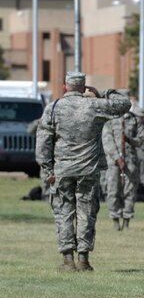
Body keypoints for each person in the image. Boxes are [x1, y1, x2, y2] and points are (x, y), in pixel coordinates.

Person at [35, 72, 131, 271]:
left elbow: (43, 142)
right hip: (88, 169)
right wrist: (102, 93)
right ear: (84, 87)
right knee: (86, 211)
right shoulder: (94, 105)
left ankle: (68, 258)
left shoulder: (53, 108)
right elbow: (124, 103)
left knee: (64, 211)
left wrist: (47, 169)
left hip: (62, 170)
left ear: (65, 87)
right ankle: (84, 259)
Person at [102, 103, 144, 230]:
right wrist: (117, 157)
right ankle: (115, 219)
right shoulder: (110, 120)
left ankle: (126, 220)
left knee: (129, 191)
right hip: (113, 162)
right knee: (113, 190)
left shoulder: (134, 120)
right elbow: (107, 140)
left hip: (130, 161)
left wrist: (129, 139)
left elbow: (141, 139)